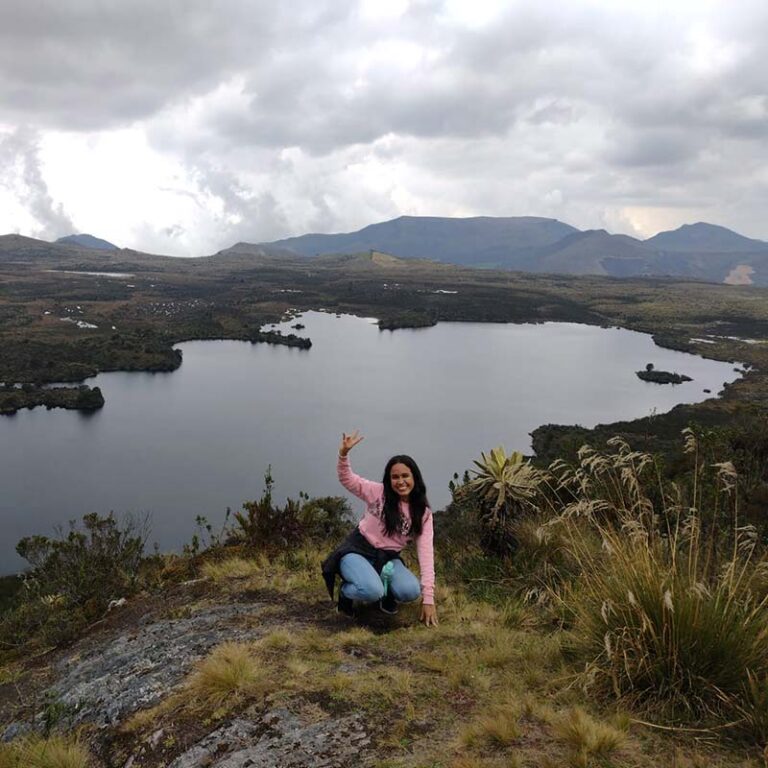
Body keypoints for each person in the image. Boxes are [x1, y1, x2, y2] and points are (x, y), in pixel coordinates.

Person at [321, 430, 438, 627]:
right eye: (395, 477)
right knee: (370, 591)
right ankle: (346, 593)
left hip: (388, 559)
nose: (400, 482)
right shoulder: (378, 493)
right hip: (357, 550)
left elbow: (426, 555)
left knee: (410, 591)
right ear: (388, 479)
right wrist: (343, 454)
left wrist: (428, 599)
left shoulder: (423, 514)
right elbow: (348, 479)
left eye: (405, 476)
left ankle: (386, 593)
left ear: (415, 478)